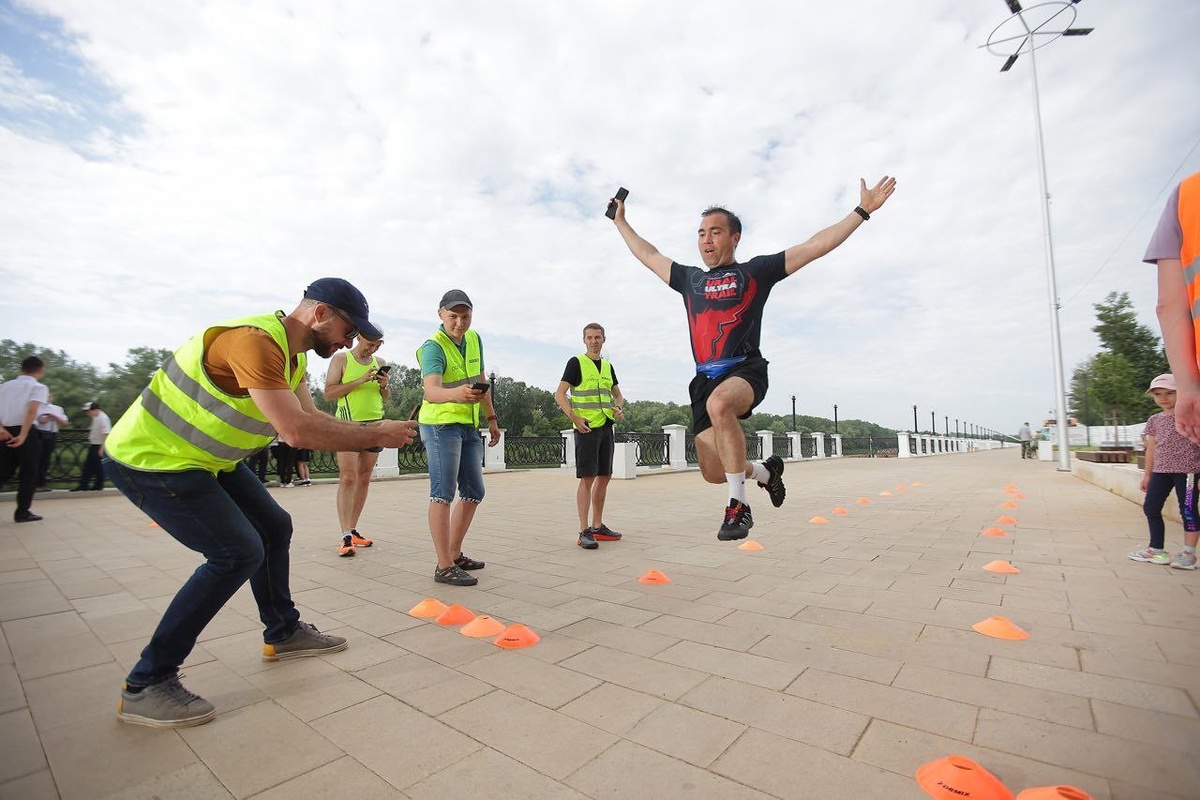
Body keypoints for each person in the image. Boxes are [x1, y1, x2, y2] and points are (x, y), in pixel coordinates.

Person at [102, 277, 418, 728]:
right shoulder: (253, 343)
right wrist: (375, 435)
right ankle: (147, 682)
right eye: (349, 328)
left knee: (275, 527)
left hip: (207, 461)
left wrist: (374, 431)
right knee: (237, 552)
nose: (352, 339)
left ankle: (283, 631)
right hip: (153, 460)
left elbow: (310, 417)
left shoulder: (290, 360)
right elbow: (296, 432)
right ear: (320, 313)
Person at [610, 176, 896, 539]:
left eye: (715, 232)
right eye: (701, 233)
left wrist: (862, 211)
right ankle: (764, 472)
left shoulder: (754, 273)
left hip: (745, 369)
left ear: (734, 238)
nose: (706, 239)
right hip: (704, 378)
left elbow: (814, 246)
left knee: (720, 404)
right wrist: (621, 222)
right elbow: (648, 254)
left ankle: (739, 506)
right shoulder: (689, 279)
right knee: (714, 471)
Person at [416, 290, 500, 586]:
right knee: (442, 493)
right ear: (441, 314)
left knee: (474, 491)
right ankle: (443, 565)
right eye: (453, 316)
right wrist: (458, 394)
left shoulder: (475, 339)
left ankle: (454, 553)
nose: (460, 322)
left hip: (468, 425)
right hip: (440, 425)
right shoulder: (433, 347)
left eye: (465, 316)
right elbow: (431, 391)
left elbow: (481, 383)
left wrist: (491, 419)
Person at [554, 323, 626, 550]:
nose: (594, 341)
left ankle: (597, 526)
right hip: (586, 428)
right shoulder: (576, 363)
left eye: (597, 337)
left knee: (604, 476)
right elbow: (560, 394)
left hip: (606, 426)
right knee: (587, 479)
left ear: (604, 339)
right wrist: (575, 418)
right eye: (589, 337)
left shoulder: (607, 366)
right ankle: (583, 530)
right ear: (584, 340)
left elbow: (618, 395)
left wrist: (618, 408)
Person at [324, 335, 390, 556]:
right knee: (348, 478)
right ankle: (344, 536)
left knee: (364, 478)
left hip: (375, 425)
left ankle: (352, 530)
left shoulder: (379, 363)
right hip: (347, 425)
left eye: (377, 346)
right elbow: (329, 393)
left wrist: (384, 386)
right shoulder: (341, 359)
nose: (372, 349)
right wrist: (360, 380)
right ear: (360, 337)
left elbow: (386, 397)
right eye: (370, 344)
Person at [1129, 374, 1200, 569]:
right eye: (1158, 394)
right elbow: (1151, 448)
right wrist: (1148, 474)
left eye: (1170, 393)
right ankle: (1157, 549)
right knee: (1151, 508)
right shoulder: (1155, 420)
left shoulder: (1192, 415)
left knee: (1188, 510)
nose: (1164, 398)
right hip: (1160, 472)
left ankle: (1189, 553)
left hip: (1188, 472)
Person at [1152, 170, 1200, 446]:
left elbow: (1169, 306)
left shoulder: (1188, 195)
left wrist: (1189, 388)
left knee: (1189, 490)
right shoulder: (1156, 423)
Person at [0, 356, 48, 522]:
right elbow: (31, 410)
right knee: (29, 473)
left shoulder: (4, 386)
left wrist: (1, 429)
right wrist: (24, 435)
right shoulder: (38, 387)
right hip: (26, 432)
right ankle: (22, 512)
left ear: (22, 369)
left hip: (5, 431)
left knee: (3, 471)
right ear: (40, 371)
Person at [73, 402, 111, 491]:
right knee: (90, 466)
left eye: (89, 411)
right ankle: (85, 484)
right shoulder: (96, 417)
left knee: (97, 466)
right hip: (94, 444)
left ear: (96, 409)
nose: (88, 414)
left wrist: (102, 448)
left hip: (99, 445)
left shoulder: (103, 418)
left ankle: (97, 485)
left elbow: (106, 433)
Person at [35, 391, 69, 490]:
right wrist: (40, 420)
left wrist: (55, 417)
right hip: (39, 433)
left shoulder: (58, 409)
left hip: (52, 434)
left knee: (46, 459)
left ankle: (41, 483)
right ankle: (32, 483)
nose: (47, 398)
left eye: (49, 396)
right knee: (36, 459)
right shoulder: (37, 407)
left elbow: (65, 423)